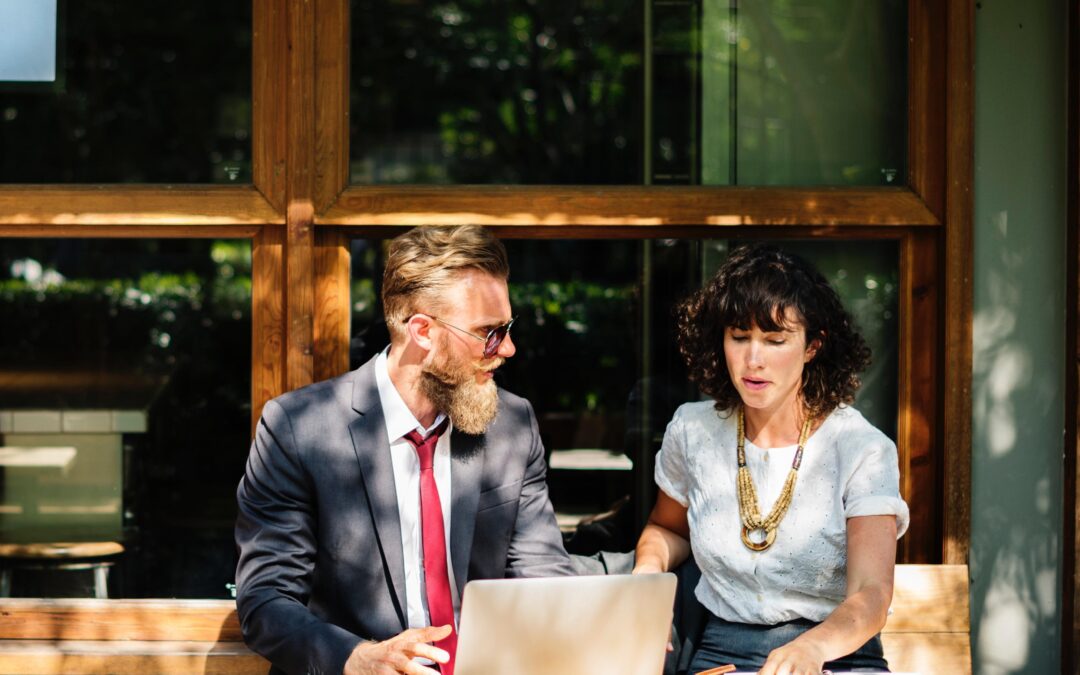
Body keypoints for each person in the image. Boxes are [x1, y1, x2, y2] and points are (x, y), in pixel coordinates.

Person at [235, 225, 575, 675]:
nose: (508, 348)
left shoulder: (513, 425)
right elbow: (266, 600)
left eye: (507, 329)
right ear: (423, 331)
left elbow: (542, 575)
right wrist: (357, 659)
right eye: (488, 332)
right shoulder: (299, 429)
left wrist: (591, 625)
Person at [633, 245, 909, 675]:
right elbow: (667, 528)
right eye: (739, 337)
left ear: (813, 345)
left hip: (838, 655)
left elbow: (871, 595)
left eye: (775, 340)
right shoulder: (692, 431)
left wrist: (812, 649)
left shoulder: (861, 448)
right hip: (721, 653)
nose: (753, 359)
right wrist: (647, 576)